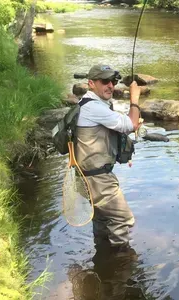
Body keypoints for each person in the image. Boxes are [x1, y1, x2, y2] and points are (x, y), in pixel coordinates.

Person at [75, 64, 141, 250]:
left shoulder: (88, 104)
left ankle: (103, 263)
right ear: (91, 83)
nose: (110, 85)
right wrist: (134, 98)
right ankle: (122, 267)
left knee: (103, 222)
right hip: (98, 181)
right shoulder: (94, 108)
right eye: (104, 81)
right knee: (122, 219)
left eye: (113, 81)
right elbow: (132, 125)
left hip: (87, 177)